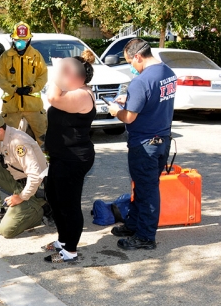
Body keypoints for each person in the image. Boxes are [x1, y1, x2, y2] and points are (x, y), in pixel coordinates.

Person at [107, 38, 177, 250]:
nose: (131, 66)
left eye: (130, 62)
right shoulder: (168, 73)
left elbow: (129, 118)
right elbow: (152, 100)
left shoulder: (141, 81)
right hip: (162, 140)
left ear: (138, 56)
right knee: (143, 186)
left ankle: (145, 236)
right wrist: (129, 99)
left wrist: (116, 111)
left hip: (145, 143)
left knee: (147, 191)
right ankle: (134, 224)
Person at [43, 50, 97, 263]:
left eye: (68, 74)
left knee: (68, 203)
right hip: (60, 155)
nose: (63, 78)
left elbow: (52, 97)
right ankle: (63, 240)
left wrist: (59, 71)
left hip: (74, 158)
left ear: (79, 78)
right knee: (54, 198)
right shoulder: (71, 91)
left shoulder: (83, 95)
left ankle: (71, 251)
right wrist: (64, 68)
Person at [0, 111, 48, 238]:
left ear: (0, 131)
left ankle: (39, 211)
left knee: (6, 231)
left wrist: (20, 197)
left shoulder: (19, 143)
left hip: (34, 189)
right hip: (17, 181)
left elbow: (35, 176)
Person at [0, 22, 48, 146]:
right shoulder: (5, 57)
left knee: (43, 137)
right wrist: (14, 89)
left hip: (33, 106)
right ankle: (8, 162)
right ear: (13, 39)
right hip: (12, 106)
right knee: (6, 138)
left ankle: (45, 162)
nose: (21, 42)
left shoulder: (36, 56)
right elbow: (1, 79)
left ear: (29, 39)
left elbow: (43, 76)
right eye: (18, 39)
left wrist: (32, 88)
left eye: (24, 39)